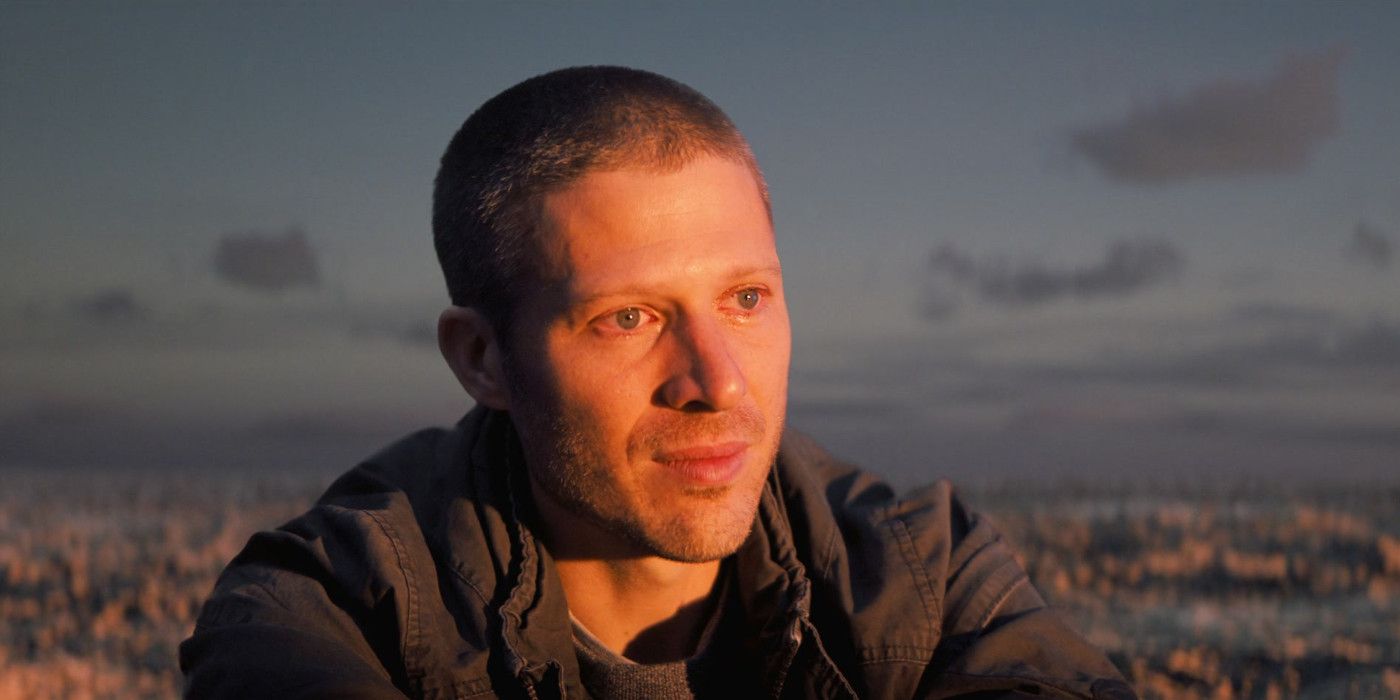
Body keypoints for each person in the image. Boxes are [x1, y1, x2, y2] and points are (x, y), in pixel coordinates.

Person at [180, 66, 1135, 700]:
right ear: (482, 360)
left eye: (748, 298)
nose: (718, 382)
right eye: (627, 318)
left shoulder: (919, 578)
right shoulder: (334, 613)